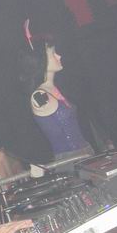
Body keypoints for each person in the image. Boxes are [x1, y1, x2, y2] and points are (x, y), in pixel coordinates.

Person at [18, 22, 94, 161]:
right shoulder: (39, 96)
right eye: (53, 53)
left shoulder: (54, 89)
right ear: (41, 61)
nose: (59, 56)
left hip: (86, 153)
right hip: (70, 161)